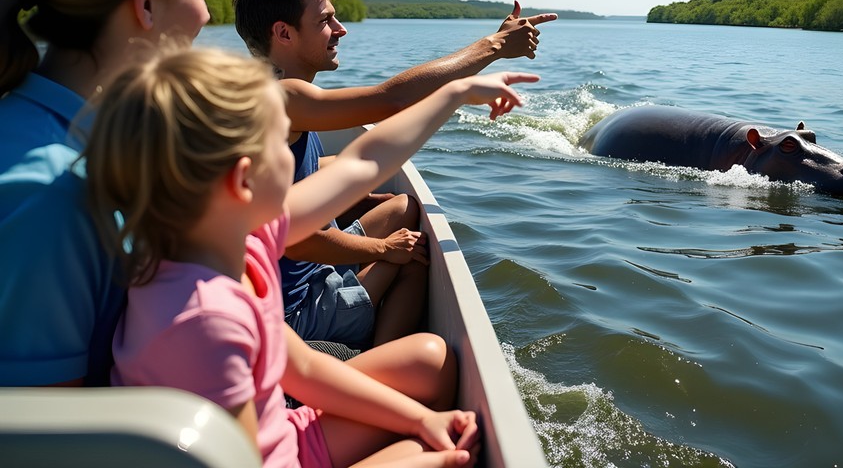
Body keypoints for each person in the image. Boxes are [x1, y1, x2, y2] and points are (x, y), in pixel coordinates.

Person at [86, 44, 539, 467]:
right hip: (267, 458)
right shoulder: (206, 320)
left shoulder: (239, 237)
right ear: (243, 180)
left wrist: (456, 93)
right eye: (281, 143)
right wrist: (427, 456)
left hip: (280, 431)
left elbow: (360, 163)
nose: (295, 155)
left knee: (430, 361)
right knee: (444, 454)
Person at [232, 0, 556, 349]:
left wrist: (356, 195)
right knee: (414, 253)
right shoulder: (284, 98)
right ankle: (377, 361)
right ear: (283, 33)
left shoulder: (259, 91)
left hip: (303, 270)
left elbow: (300, 171)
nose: (341, 29)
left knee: (400, 207)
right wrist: (495, 46)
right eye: (325, 20)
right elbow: (392, 100)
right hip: (297, 308)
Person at [0, 0, 211, 386]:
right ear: (146, 2)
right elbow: (43, 436)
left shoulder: (78, 137)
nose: (206, 14)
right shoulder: (53, 190)